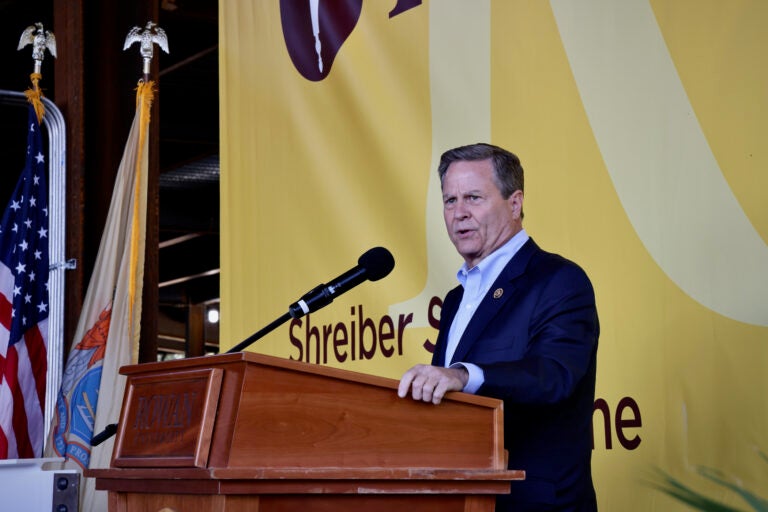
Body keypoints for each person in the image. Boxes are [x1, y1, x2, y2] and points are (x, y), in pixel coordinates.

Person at [398, 143, 599, 512]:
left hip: (534, 503)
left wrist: (463, 375)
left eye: (473, 198)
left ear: (515, 203)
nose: (459, 214)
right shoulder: (456, 299)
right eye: (449, 200)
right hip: (466, 500)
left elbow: (553, 374)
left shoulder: (559, 281)